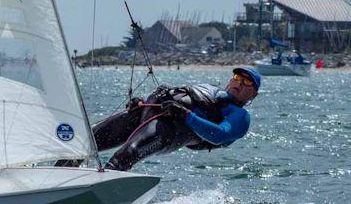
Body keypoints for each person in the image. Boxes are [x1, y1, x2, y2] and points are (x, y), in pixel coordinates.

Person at [94, 67, 261, 171]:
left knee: (126, 154)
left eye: (247, 82)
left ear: (254, 94)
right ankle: (68, 164)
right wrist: (141, 102)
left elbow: (218, 135)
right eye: (237, 78)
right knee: (88, 139)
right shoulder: (211, 91)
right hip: (149, 112)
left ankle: (101, 188)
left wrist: (186, 115)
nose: (239, 83)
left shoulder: (241, 117)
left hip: (171, 131)